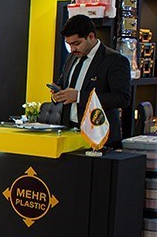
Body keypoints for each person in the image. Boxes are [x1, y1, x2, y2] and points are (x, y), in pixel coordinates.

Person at [51, 14, 131, 148]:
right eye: (69, 44)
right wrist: (58, 92)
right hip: (69, 132)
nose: (72, 49)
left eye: (77, 43)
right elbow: (64, 84)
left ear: (91, 36)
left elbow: (122, 98)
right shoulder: (72, 57)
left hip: (100, 136)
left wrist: (79, 96)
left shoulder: (115, 60)